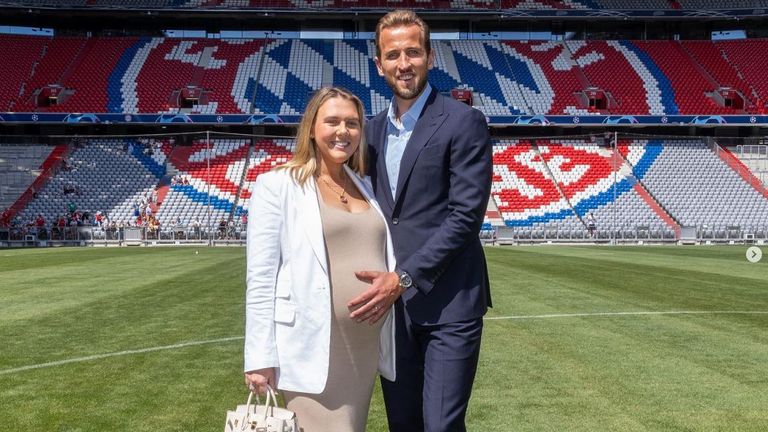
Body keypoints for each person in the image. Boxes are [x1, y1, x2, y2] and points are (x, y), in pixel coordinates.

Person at [349, 10, 493, 432]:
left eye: (413, 52)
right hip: (391, 311)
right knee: (404, 423)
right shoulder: (369, 132)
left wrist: (405, 277)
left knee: (441, 425)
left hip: (450, 302)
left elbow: (466, 216)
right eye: (393, 55)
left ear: (430, 56)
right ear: (379, 64)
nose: (403, 63)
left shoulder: (463, 121)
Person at [244, 87, 397, 432]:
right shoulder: (277, 186)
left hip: (363, 351)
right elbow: (261, 278)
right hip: (310, 348)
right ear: (312, 127)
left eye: (352, 123)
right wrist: (259, 359)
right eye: (332, 121)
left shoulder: (366, 187)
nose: (343, 131)